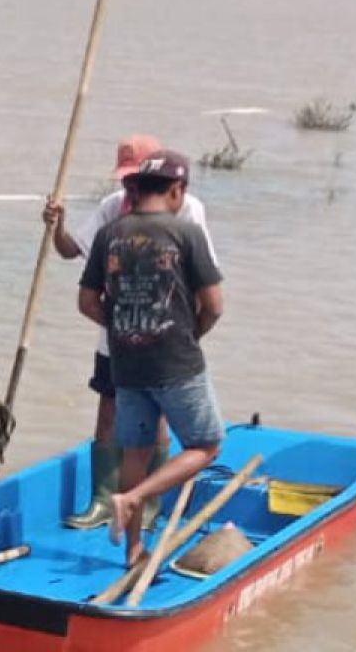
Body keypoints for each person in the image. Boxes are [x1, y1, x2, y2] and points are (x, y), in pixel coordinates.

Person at [43, 134, 218, 530]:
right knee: (108, 410)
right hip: (116, 336)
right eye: (124, 179)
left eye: (134, 179)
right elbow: (72, 251)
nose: (128, 187)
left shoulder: (187, 210)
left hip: (167, 337)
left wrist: (176, 332)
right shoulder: (112, 209)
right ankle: (104, 501)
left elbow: (204, 282)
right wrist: (58, 225)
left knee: (155, 422)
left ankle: (148, 505)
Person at [78, 150, 225, 566]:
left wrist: (122, 326)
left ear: (137, 190)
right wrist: (189, 333)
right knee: (207, 444)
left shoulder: (111, 234)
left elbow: (87, 301)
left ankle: (134, 551)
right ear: (177, 191)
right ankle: (135, 497)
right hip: (176, 361)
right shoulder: (185, 233)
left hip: (126, 363)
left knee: (135, 453)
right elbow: (213, 304)